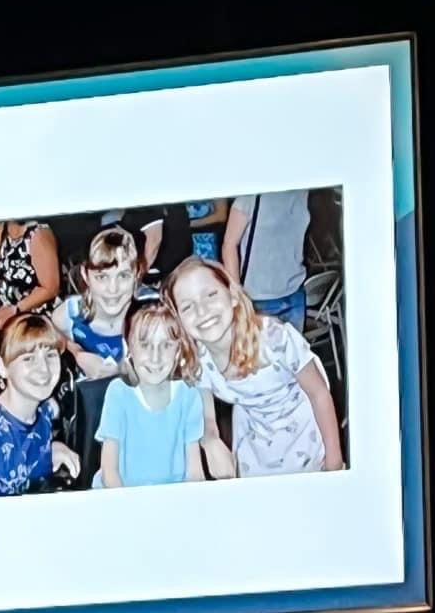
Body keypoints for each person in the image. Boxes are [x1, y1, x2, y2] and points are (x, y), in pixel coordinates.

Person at [165, 257, 343, 475]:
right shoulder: (195, 360)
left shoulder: (275, 339)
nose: (202, 311)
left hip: (304, 434)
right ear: (178, 319)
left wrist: (335, 461)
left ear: (232, 295)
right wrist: (210, 438)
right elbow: (206, 411)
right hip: (254, 442)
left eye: (211, 295)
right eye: (187, 306)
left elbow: (319, 393)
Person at [93, 306, 233, 487]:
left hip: (170, 500)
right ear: (128, 346)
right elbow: (109, 472)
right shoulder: (118, 393)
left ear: (177, 351)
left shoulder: (188, 395)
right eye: (145, 344)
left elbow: (194, 472)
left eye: (166, 345)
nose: (155, 357)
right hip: (122, 496)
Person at [0, 313, 80, 496]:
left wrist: (54, 447)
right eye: (28, 358)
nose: (44, 369)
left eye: (50, 355)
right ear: (2, 367)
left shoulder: (47, 412)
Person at [50, 227, 138, 380]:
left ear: (136, 273)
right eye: (102, 277)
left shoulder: (149, 319)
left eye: (123, 276)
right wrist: (75, 351)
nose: (113, 289)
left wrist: (122, 370)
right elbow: (49, 335)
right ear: (85, 275)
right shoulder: (69, 315)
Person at [223, 191, 311, 332]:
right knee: (261, 353)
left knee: (295, 352)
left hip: (295, 290)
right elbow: (229, 244)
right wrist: (237, 295)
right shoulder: (252, 195)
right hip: (258, 298)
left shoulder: (301, 191)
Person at [0, 220, 61, 331]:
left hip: (34, 324)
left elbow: (51, 288)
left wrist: (14, 310)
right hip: (7, 323)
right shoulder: (2, 233)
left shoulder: (37, 233)